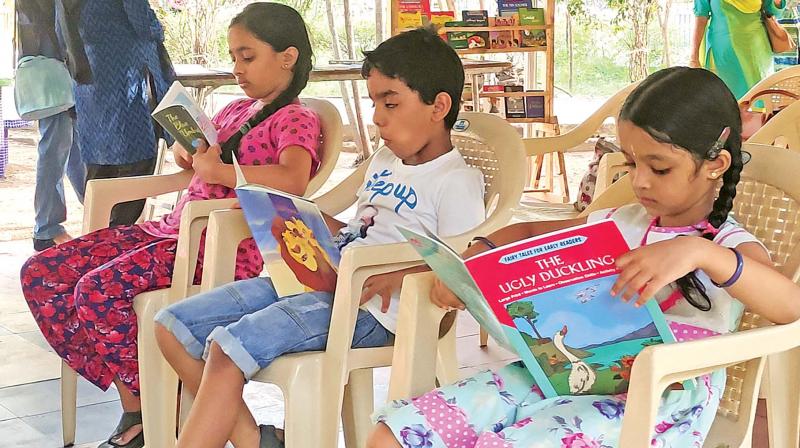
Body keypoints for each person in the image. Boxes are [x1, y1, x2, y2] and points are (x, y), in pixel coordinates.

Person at [367, 67, 800, 448]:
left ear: (715, 164)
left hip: (658, 401)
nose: (640, 183)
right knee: (396, 434)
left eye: (660, 168)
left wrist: (701, 253)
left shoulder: (729, 244)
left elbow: (788, 305)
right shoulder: (620, 221)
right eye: (631, 164)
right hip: (561, 375)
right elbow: (529, 231)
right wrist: (478, 259)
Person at [154, 27, 487, 448]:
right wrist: (283, 211)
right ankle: (258, 442)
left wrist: (401, 274)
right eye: (374, 103)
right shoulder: (384, 159)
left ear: (438, 106)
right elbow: (356, 230)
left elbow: (463, 266)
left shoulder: (455, 180)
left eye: (391, 103)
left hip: (375, 311)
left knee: (227, 347)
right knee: (172, 327)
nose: (377, 117)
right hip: (325, 278)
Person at [20, 3, 323, 447]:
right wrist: (190, 154)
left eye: (247, 56)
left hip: (211, 246)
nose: (236, 68)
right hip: (168, 231)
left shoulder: (295, 117)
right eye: (233, 57)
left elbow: (294, 180)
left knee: (95, 290)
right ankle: (143, 398)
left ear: (288, 57)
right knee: (43, 273)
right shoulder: (234, 109)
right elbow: (200, 163)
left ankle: (142, 414)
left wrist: (224, 174)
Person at [68, 0, 176, 226]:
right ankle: (115, 240)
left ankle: (94, 239)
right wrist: (158, 26)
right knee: (137, 162)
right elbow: (143, 24)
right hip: (125, 78)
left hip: (88, 75)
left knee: (98, 166)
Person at [15, 0, 86, 251]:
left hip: (56, 61)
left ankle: (94, 203)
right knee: (57, 144)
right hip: (54, 64)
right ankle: (46, 227)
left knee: (73, 142)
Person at [690, 0, 785, 99]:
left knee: (760, 102)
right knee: (725, 102)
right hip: (723, 55)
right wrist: (694, 57)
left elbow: (774, 12)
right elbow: (701, 17)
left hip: (757, 54)